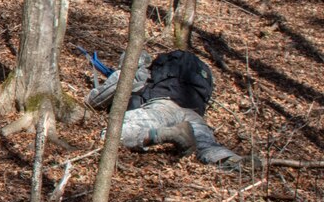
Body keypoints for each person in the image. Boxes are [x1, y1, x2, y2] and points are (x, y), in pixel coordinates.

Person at [88, 47, 240, 168]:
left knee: (111, 134)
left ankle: (167, 134)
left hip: (162, 108)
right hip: (193, 113)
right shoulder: (164, 76)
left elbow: (94, 101)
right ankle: (236, 161)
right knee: (207, 146)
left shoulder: (134, 72)